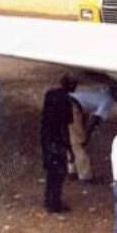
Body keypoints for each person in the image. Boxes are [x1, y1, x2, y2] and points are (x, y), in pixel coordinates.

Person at [68, 81, 117, 183]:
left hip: (66, 102)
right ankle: (85, 175)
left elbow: (86, 111)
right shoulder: (108, 100)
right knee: (79, 143)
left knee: (72, 140)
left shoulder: (101, 93)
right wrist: (87, 135)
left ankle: (72, 170)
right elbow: (95, 119)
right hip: (71, 106)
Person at [41, 73, 77, 213]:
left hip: (46, 137)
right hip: (57, 141)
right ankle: (54, 203)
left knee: (51, 172)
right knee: (59, 174)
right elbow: (65, 127)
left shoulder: (50, 94)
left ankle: (48, 199)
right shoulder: (66, 101)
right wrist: (69, 148)